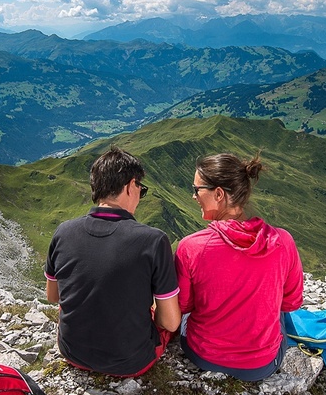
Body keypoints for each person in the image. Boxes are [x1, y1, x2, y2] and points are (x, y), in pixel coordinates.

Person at [44, 146, 181, 377]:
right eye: (141, 189)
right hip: (131, 362)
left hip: (72, 352)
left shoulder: (63, 232)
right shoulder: (154, 240)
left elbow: (53, 296)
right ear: (130, 186)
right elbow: (170, 322)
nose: (140, 196)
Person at [175, 153, 304, 381]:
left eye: (196, 189)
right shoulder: (283, 241)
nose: (193, 196)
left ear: (218, 194)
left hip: (203, 355)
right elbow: (291, 302)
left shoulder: (191, 247)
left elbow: (183, 305)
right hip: (261, 365)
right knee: (279, 314)